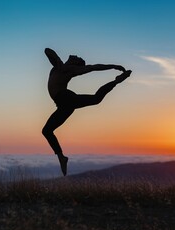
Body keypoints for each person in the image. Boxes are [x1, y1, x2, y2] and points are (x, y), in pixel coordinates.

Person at [42, 48, 132, 176]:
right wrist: (60, 63)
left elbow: (94, 67)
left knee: (96, 99)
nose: (75, 55)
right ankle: (61, 157)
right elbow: (47, 50)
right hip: (63, 106)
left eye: (77, 57)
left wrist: (113, 66)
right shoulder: (58, 66)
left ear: (75, 63)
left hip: (66, 98)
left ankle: (117, 81)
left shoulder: (72, 70)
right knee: (46, 131)